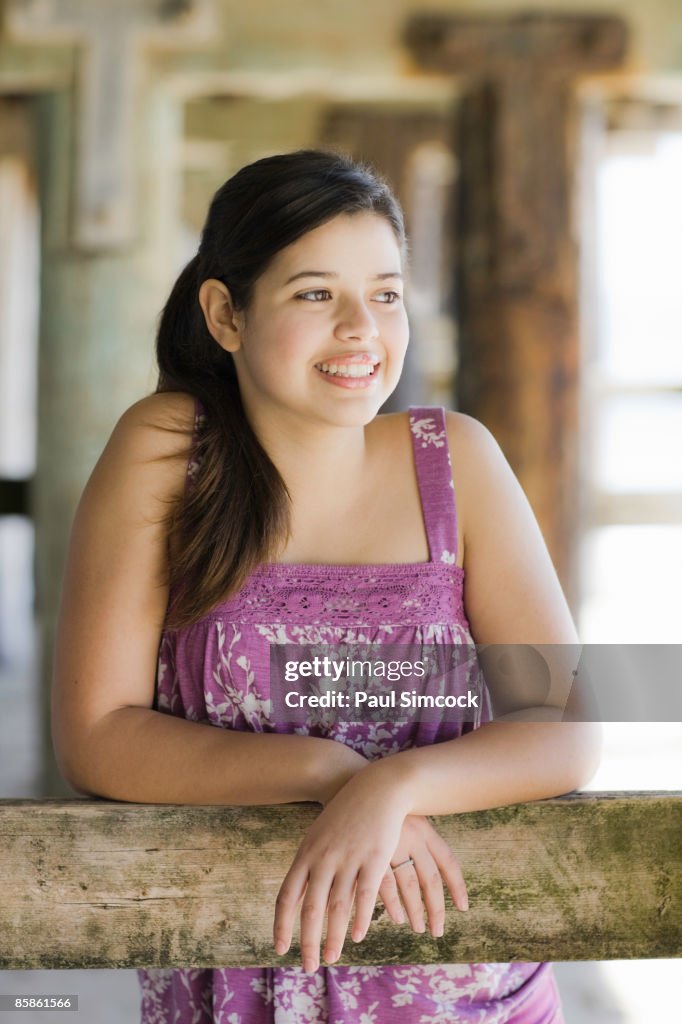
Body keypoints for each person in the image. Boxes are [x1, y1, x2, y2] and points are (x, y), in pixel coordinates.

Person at [51, 148, 601, 1023]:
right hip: (235, 984)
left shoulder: (456, 459)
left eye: (385, 294)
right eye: (316, 294)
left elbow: (564, 728)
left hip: (466, 987)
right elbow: (97, 735)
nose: (361, 329)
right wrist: (329, 773)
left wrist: (395, 789)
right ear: (225, 313)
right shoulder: (166, 453)